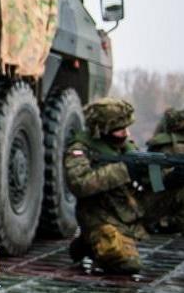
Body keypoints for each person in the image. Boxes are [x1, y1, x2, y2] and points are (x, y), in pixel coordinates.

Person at [65, 99, 184, 274]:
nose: (126, 133)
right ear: (103, 129)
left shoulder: (124, 146)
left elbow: (152, 183)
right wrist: (125, 169)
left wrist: (171, 179)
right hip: (100, 214)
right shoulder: (80, 149)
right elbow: (80, 184)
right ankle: (89, 241)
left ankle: (109, 238)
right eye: (120, 130)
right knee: (129, 265)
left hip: (128, 208)